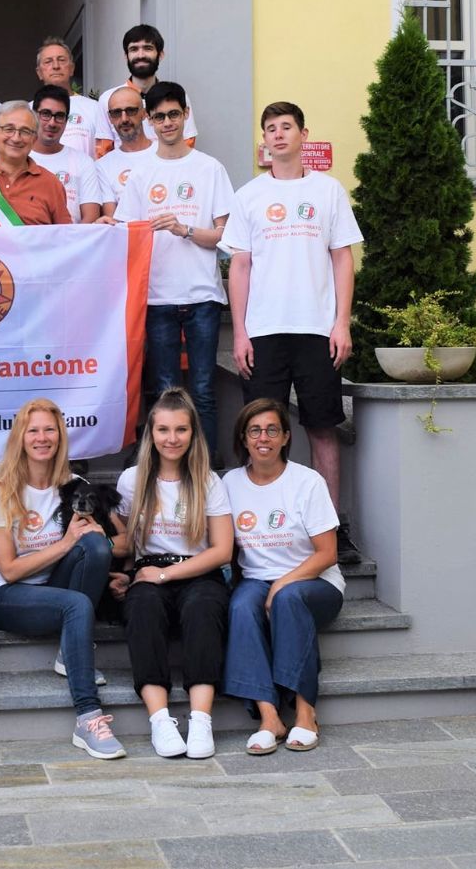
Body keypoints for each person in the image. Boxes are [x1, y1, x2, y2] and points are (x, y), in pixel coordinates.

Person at [222, 101, 363, 562]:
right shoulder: (248, 195)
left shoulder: (328, 191)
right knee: (260, 431)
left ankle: (331, 528)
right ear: (264, 141)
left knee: (322, 428)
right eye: (270, 128)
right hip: (263, 332)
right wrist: (240, 333)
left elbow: (342, 258)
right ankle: (262, 529)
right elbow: (240, 266)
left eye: (286, 126)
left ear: (304, 134)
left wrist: (341, 322)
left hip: (317, 331)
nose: (278, 134)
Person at [0, 399, 124, 759]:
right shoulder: (2, 490)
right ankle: (88, 717)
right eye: (33, 431)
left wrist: (101, 539)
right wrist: (67, 542)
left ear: (60, 436)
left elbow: (125, 542)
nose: (42, 438)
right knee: (77, 603)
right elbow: (9, 569)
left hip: (56, 587)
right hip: (7, 594)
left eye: (50, 430)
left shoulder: (75, 486)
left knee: (96, 545)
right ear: (20, 437)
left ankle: (67, 651)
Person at [112, 83, 234, 456]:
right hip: (156, 297)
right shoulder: (140, 173)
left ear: (185, 115)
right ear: (149, 121)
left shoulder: (210, 168)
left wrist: (185, 230)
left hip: (202, 296)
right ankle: (165, 473)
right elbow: (125, 235)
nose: (167, 123)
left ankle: (207, 473)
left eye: (173, 114)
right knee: (164, 392)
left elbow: (226, 236)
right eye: (159, 116)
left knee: (203, 390)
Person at [111, 388, 234, 759]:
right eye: (163, 430)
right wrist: (123, 573)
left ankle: (201, 720)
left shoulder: (208, 481)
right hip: (149, 569)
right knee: (143, 607)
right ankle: (160, 720)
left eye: (181, 429)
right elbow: (125, 540)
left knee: (203, 608)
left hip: (198, 569)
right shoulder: (131, 480)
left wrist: (167, 576)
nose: (172, 438)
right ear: (150, 433)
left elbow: (222, 550)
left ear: (193, 433)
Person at [221, 398, 345, 754]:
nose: (263, 438)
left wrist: (282, 583)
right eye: (255, 431)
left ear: (286, 437)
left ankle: (305, 712)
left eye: (272, 430)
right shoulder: (229, 483)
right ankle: (269, 717)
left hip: (316, 581)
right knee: (241, 606)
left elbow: (327, 554)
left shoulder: (307, 481)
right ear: (243, 438)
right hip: (255, 580)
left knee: (288, 599)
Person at [102, 24, 198, 150]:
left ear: (160, 55)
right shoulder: (109, 99)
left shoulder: (176, 95)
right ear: (126, 56)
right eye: (134, 49)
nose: (140, 55)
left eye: (148, 48)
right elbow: (104, 149)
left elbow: (187, 142)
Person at [30, 84, 108, 223]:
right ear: (34, 116)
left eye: (59, 116)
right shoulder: (19, 159)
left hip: (74, 236)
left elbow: (91, 217)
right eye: (46, 114)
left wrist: (71, 238)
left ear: (67, 120)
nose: (52, 123)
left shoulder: (83, 162)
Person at [34, 37, 111, 157]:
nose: (56, 66)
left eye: (61, 60)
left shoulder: (94, 108)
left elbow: (105, 153)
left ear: (72, 69)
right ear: (39, 72)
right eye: (48, 61)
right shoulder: (28, 111)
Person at [98, 85, 153, 214]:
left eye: (131, 110)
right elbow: (112, 219)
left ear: (144, 113)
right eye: (116, 113)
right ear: (110, 118)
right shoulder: (103, 166)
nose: (124, 119)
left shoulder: (165, 154)